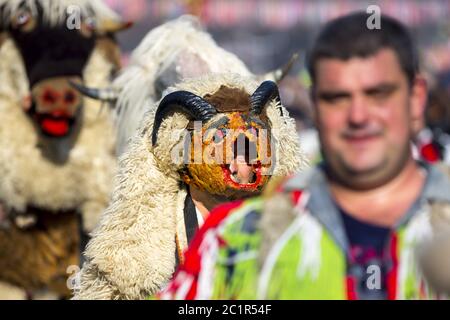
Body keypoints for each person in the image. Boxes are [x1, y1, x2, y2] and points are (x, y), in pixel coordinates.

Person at [159, 12, 450, 300]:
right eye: (337, 98)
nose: (358, 116)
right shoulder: (236, 241)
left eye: (378, 94)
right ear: (315, 105)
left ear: (416, 99)